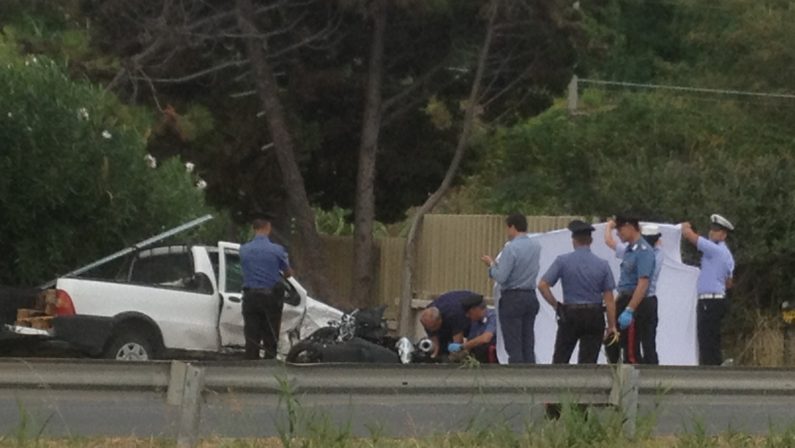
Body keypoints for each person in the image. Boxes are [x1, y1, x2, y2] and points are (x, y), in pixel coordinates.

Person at [538, 220, 617, 364]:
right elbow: (610, 300)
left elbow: (543, 285)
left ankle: (559, 385)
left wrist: (556, 305)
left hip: (570, 314)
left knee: (561, 359)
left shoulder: (563, 261)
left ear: (573, 240)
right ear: (591, 240)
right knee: (588, 362)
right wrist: (611, 326)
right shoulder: (603, 265)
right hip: (594, 315)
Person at [481, 214, 542, 364]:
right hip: (530, 296)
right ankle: (531, 376)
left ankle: (517, 378)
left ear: (512, 227)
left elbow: (501, 277)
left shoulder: (511, 248)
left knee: (514, 344)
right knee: (528, 341)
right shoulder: (536, 246)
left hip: (513, 298)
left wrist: (491, 265)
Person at [680, 214, 735, 366]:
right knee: (712, 338)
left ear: (723, 234)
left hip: (709, 300)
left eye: (716, 230)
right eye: (711, 228)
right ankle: (715, 367)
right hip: (718, 299)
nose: (712, 232)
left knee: (706, 339)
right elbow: (729, 282)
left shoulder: (714, 250)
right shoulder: (727, 254)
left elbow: (691, 237)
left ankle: (711, 371)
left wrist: (685, 226)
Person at [239, 214, 292, 360]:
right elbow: (288, 273)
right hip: (270, 298)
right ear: (268, 228)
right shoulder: (277, 250)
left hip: (250, 297)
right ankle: (268, 371)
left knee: (251, 337)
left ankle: (250, 370)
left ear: (253, 229)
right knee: (270, 337)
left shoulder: (243, 250)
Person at [613, 215, 658, 364]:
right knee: (621, 345)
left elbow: (643, 283)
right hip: (625, 298)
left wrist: (630, 309)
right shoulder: (629, 250)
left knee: (632, 351)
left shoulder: (643, 251)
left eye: (620, 229)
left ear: (629, 226)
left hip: (636, 302)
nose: (618, 234)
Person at [419, 290, 474, 359]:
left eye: (432, 328)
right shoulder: (428, 316)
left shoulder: (454, 315)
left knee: (459, 351)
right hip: (451, 312)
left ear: (440, 321)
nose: (431, 331)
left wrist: (452, 357)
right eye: (428, 328)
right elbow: (433, 337)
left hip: (471, 312)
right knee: (442, 348)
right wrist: (434, 355)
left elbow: (457, 343)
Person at [448, 294, 498, 363]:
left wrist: (462, 347)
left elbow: (486, 338)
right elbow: (472, 340)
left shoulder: (494, 316)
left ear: (476, 309)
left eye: (469, 313)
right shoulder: (475, 322)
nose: (467, 316)